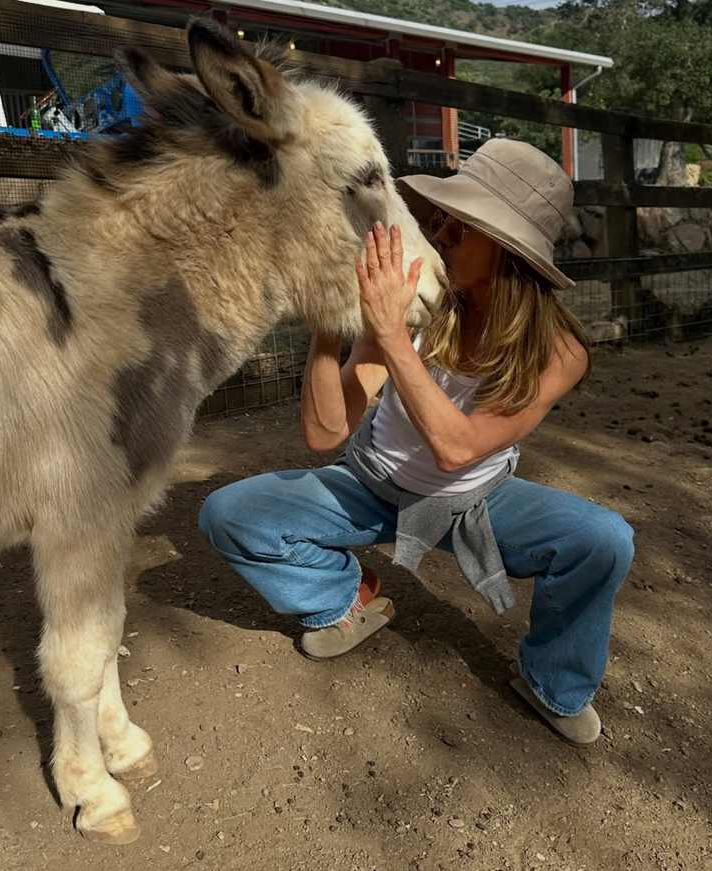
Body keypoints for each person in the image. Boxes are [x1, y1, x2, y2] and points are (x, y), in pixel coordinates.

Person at [198, 139, 635, 747]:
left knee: (604, 539)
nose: (440, 228)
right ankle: (345, 599)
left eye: (464, 223)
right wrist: (330, 323)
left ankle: (553, 682)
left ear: (510, 251)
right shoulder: (418, 298)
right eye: (443, 215)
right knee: (229, 513)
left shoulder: (559, 352)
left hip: (473, 502)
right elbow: (325, 432)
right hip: (373, 484)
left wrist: (391, 339)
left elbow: (458, 449)